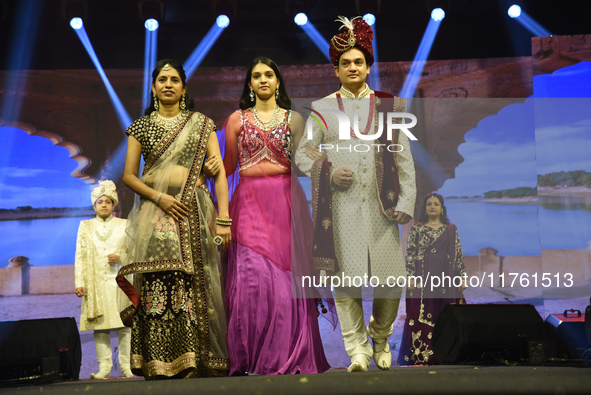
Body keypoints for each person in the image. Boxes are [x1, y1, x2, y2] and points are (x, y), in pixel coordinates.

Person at [295, 16, 417, 372]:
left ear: (368, 66)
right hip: (342, 208)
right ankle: (358, 351)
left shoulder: (390, 106)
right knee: (346, 284)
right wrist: (329, 174)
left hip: (382, 208)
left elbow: (404, 158)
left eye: (358, 62)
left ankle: (380, 337)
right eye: (345, 62)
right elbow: (304, 153)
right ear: (336, 69)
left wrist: (406, 201)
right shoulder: (322, 108)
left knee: (391, 282)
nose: (352, 67)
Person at [116, 59, 231, 379]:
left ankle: (198, 359)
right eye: (162, 79)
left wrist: (223, 217)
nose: (168, 84)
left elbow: (218, 172)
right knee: (157, 280)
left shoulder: (202, 123)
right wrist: (159, 197)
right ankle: (159, 362)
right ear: (153, 88)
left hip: (195, 208)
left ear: (183, 87)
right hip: (156, 210)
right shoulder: (140, 126)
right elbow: (128, 176)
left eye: (174, 79)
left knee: (198, 281)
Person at [222, 56, 330, 375]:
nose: (264, 80)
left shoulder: (295, 120)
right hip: (248, 202)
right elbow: (227, 168)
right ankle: (249, 357)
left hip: (285, 201)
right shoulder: (236, 120)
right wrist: (204, 177)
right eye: (257, 76)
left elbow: (304, 164)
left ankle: (288, 354)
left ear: (278, 81)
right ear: (250, 84)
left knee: (287, 279)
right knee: (250, 279)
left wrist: (326, 164)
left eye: (269, 74)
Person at [397, 193, 467, 365]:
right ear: (425, 208)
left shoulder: (451, 229)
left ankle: (450, 354)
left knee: (448, 315)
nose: (433, 206)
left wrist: (462, 277)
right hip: (423, 279)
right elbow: (410, 255)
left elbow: (458, 254)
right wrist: (411, 277)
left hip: (447, 279)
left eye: (436, 204)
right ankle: (423, 356)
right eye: (429, 204)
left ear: (442, 208)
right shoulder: (417, 229)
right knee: (419, 315)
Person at [74, 180, 132, 379]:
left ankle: (127, 366)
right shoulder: (85, 226)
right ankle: (104, 368)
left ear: (114, 204)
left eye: (108, 201)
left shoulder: (125, 224)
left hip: (121, 282)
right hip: (95, 283)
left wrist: (121, 258)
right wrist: (79, 283)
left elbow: (135, 252)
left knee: (126, 325)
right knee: (100, 327)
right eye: (100, 202)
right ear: (94, 205)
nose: (104, 204)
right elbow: (80, 255)